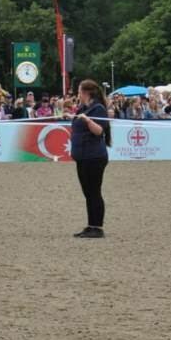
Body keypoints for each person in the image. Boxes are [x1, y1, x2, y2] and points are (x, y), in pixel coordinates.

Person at [67, 80, 110, 238]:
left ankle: (97, 227)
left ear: (86, 92)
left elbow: (99, 131)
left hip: (94, 157)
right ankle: (91, 225)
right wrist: (72, 115)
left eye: (79, 91)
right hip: (83, 157)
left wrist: (87, 120)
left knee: (94, 192)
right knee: (88, 193)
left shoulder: (98, 109)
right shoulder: (84, 108)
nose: (78, 94)